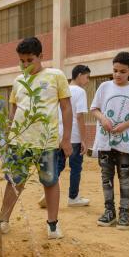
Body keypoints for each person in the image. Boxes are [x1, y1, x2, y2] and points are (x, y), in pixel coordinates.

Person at [0, 37, 73, 239]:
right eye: (21, 61)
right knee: (14, 181)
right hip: (19, 142)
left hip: (46, 142)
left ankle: (52, 224)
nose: (25, 65)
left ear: (41, 56)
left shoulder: (55, 76)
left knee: (50, 181)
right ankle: (3, 221)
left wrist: (66, 138)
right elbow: (14, 109)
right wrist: (10, 135)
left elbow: (66, 108)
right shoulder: (18, 81)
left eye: (29, 60)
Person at [91, 51, 129, 230]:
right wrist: (103, 119)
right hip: (105, 142)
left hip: (124, 143)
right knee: (106, 176)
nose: (118, 74)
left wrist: (124, 125)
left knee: (125, 178)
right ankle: (109, 211)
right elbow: (94, 109)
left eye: (122, 71)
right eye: (115, 70)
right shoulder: (104, 87)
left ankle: (124, 213)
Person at [38, 65, 91, 208]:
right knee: (75, 167)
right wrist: (84, 140)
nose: (87, 81)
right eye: (87, 77)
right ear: (80, 75)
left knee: (59, 164)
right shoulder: (80, 91)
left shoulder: (62, 88)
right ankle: (73, 198)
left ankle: (47, 193)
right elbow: (79, 116)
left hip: (59, 132)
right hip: (73, 135)